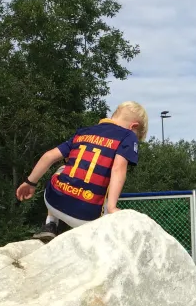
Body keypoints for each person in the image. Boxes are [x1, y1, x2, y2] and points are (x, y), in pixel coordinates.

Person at [16, 101, 148, 241]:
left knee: (63, 168)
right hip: (88, 216)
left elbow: (49, 156)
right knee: (107, 182)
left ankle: (50, 224)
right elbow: (118, 169)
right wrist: (112, 208)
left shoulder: (84, 132)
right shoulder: (127, 136)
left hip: (53, 202)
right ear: (133, 126)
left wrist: (30, 182)